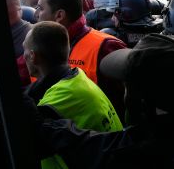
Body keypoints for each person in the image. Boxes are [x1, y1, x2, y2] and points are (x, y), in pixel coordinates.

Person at [30, 34, 174, 168]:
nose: (125, 94)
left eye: (128, 87)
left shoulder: (136, 157)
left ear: (142, 103)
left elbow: (87, 146)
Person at [23, 21, 123, 169]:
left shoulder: (54, 102)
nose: (22, 56)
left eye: (24, 49)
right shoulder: (78, 78)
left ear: (32, 56)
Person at [34, 0, 128, 119]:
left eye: (40, 8)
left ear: (59, 15)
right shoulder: (40, 45)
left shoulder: (105, 47)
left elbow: (124, 106)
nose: (36, 14)